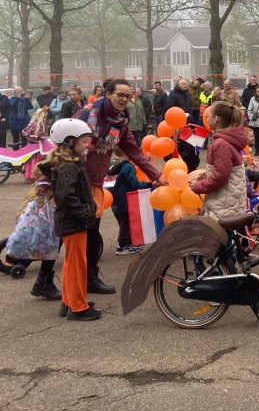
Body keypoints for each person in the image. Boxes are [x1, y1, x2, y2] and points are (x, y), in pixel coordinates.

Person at [77, 79, 164, 295]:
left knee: (90, 230)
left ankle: (89, 278)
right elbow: (65, 144)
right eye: (120, 95)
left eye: (128, 96)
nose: (124, 99)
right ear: (107, 94)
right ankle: (48, 279)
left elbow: (134, 152)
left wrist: (156, 176)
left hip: (95, 182)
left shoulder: (120, 122)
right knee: (69, 231)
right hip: (76, 180)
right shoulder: (87, 115)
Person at [37, 119, 102, 320]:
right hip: (73, 223)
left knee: (71, 263)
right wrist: (86, 213)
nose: (87, 145)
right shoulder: (68, 167)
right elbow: (66, 197)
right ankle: (78, 307)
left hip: (71, 222)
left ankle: (69, 300)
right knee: (76, 265)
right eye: (83, 142)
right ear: (70, 142)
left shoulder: (71, 163)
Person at [189, 101, 247, 220]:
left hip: (223, 206)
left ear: (215, 119)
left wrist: (198, 186)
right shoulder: (227, 140)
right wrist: (207, 176)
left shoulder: (221, 144)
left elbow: (220, 177)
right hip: (229, 203)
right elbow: (227, 169)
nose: (205, 118)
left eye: (207, 116)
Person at [108, 148, 152, 255]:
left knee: (123, 221)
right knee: (126, 223)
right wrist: (149, 184)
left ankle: (129, 242)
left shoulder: (114, 164)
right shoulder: (128, 167)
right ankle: (122, 246)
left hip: (114, 198)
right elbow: (135, 183)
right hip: (125, 199)